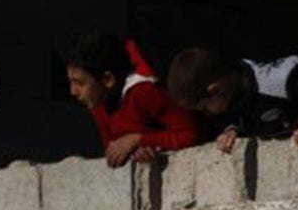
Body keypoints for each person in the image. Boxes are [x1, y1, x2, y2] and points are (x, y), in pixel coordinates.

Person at [165, 49, 298, 152]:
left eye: (205, 108)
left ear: (214, 91)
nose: (208, 114)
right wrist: (233, 129)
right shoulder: (234, 95)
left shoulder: (282, 82)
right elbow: (244, 114)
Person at [64, 35, 202, 168]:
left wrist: (138, 140)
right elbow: (113, 148)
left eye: (80, 83)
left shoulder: (145, 92)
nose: (73, 92)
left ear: (108, 80)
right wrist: (134, 150)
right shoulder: (98, 102)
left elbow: (192, 134)